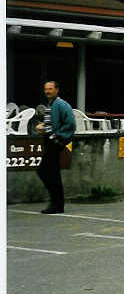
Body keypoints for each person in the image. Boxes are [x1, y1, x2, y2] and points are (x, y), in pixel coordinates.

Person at [35, 81, 75, 214]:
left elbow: (70, 124)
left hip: (55, 141)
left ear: (57, 90)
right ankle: (57, 203)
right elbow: (52, 123)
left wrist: (58, 136)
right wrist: (43, 127)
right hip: (50, 140)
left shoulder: (61, 104)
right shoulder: (51, 105)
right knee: (52, 172)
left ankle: (56, 202)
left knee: (44, 171)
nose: (47, 91)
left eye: (50, 89)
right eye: (46, 89)